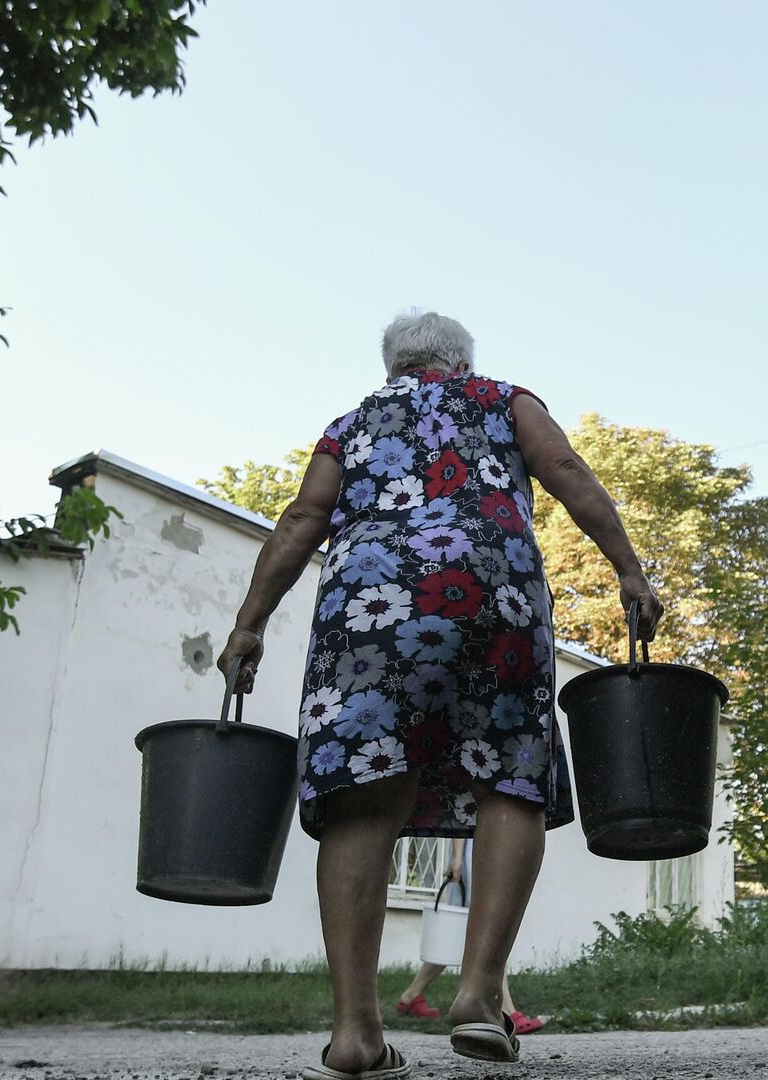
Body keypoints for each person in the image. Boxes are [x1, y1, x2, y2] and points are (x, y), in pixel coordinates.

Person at [217, 311, 660, 1079]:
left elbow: (301, 522)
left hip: (370, 606)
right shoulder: (503, 398)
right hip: (496, 594)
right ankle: (480, 995)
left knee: (363, 798)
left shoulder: (349, 426)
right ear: (462, 361)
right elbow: (566, 471)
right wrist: (627, 566)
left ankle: (355, 1029)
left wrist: (248, 626)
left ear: (393, 367)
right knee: (509, 777)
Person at [395, 838, 545, 1035]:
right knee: (493, 934)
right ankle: (507, 1010)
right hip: (472, 857)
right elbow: (465, 814)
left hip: (477, 853)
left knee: (453, 937)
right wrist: (457, 859)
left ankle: (410, 997)